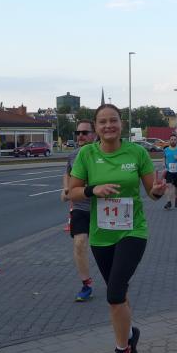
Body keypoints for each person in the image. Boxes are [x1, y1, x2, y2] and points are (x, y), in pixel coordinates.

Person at [68, 104, 167, 353]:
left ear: (121, 124)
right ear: (96, 127)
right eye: (102, 122)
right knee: (119, 294)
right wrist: (93, 189)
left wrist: (157, 191)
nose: (108, 125)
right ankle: (131, 335)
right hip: (101, 235)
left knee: (113, 294)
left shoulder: (137, 153)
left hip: (132, 231)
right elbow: (73, 191)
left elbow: (152, 192)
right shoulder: (87, 154)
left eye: (113, 120)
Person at [61, 120, 96, 301]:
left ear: (94, 134)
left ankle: (115, 278)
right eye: (78, 133)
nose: (80, 136)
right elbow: (67, 173)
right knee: (79, 243)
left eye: (84, 132)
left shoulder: (102, 152)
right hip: (80, 206)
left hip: (102, 207)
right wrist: (65, 189)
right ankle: (86, 284)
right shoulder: (73, 155)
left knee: (105, 249)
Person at [162, 133, 177, 210]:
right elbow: (164, 157)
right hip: (169, 171)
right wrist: (164, 164)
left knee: (176, 187)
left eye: (174, 140)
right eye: (171, 140)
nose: (173, 141)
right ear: (169, 141)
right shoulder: (166, 150)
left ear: (176, 141)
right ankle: (169, 202)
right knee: (168, 185)